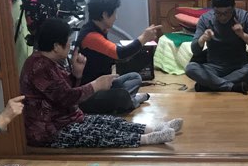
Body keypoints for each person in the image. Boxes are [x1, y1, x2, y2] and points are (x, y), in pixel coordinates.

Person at [20, 18, 182, 149]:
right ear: (56, 46)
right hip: (51, 131)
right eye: (68, 42)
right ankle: (148, 139)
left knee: (108, 121)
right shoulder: (38, 66)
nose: (70, 45)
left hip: (69, 117)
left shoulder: (51, 61)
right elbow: (66, 97)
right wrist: (96, 85)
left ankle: (155, 128)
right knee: (98, 133)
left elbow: (63, 90)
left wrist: (76, 74)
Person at [76, 0, 161, 114]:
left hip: (105, 85)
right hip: (91, 93)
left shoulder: (100, 30)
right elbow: (120, 54)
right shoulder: (90, 36)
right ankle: (131, 101)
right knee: (121, 96)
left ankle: (127, 101)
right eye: (115, 13)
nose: (116, 17)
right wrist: (144, 38)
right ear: (105, 14)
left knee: (135, 77)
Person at [184, 0, 248, 94]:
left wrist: (243, 35)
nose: (223, 17)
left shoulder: (243, 17)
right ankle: (231, 87)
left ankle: (210, 84)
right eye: (218, 13)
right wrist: (203, 38)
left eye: (227, 13)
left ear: (233, 8)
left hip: (238, 67)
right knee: (190, 68)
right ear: (213, 9)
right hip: (213, 68)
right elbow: (195, 49)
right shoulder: (205, 19)